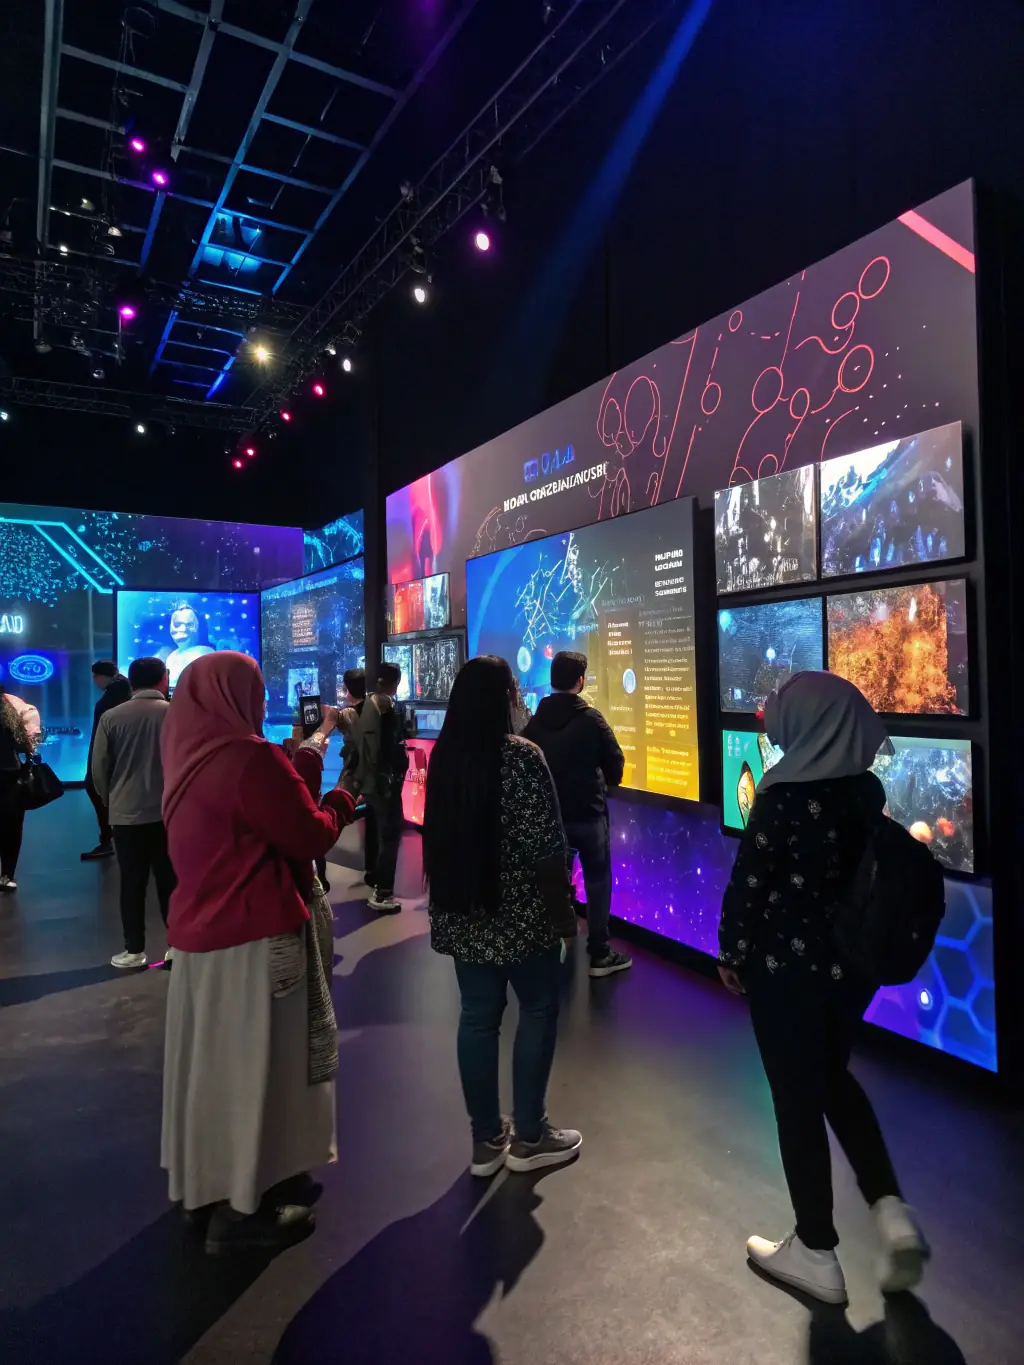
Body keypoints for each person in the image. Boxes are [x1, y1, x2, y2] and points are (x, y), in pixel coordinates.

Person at [717, 671, 928, 1305]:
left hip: (786, 973)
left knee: (795, 1097)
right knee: (832, 1076)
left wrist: (731, 953)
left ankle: (816, 1250)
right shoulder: (865, 790)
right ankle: (891, 1208)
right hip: (850, 973)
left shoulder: (781, 797)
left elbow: (749, 884)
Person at [160, 651, 356, 1256]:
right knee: (261, 1071)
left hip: (199, 943)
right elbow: (307, 832)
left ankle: (209, 1190)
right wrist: (345, 798)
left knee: (214, 1074)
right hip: (256, 939)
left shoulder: (187, 756)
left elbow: (265, 808)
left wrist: (303, 755)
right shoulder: (250, 758)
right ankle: (247, 1208)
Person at [425, 655, 582, 1177]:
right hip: (522, 917)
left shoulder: (447, 757)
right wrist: (565, 922)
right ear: (502, 698)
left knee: (477, 1017)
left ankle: (486, 1141)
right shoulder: (521, 757)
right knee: (537, 1010)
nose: (519, 697)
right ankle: (531, 1136)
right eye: (514, 688)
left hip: (465, 912)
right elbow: (546, 851)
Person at [523, 650, 631, 978]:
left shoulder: (534, 723)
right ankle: (599, 952)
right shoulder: (591, 720)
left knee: (556, 879)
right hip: (589, 814)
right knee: (597, 881)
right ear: (580, 681)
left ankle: (559, 939)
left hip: (553, 820)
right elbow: (616, 766)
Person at [91, 657, 176, 970]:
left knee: (132, 884)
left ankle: (134, 950)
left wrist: (111, 800)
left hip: (126, 814)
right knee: (171, 881)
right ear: (164, 679)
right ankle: (176, 946)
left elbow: (99, 768)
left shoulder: (112, 716)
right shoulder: (177, 715)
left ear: (131, 683)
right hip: (169, 812)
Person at [354, 662, 409, 913]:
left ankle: (375, 879)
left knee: (378, 831)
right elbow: (388, 749)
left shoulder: (367, 705)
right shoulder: (387, 707)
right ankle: (383, 893)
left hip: (371, 782)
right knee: (390, 834)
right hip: (384, 783)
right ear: (395, 683)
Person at [82, 660, 131, 860]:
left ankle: (109, 839)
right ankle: (114, 838)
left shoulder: (113, 697)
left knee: (95, 788)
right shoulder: (122, 691)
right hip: (116, 753)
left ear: (102, 675)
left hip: (108, 753)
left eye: (95, 676)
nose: (94, 681)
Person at [0, 683, 41, 891]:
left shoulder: (13, 704)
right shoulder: (14, 704)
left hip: (9, 773)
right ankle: (6, 874)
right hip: (8, 772)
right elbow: (28, 743)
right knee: (12, 826)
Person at [161, 603, 215, 689]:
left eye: (190, 625)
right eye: (177, 624)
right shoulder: (172, 656)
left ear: (199, 628)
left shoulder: (204, 654)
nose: (183, 629)